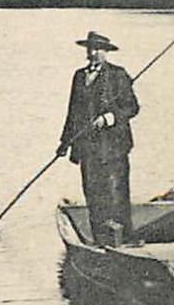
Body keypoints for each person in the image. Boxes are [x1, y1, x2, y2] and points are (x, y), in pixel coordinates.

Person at [57, 31, 140, 246]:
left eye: (98, 49)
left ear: (106, 52)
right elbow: (72, 112)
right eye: (90, 49)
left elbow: (132, 107)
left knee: (116, 194)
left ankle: (125, 242)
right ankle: (100, 240)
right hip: (87, 148)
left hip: (114, 147)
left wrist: (110, 117)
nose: (93, 53)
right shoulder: (78, 76)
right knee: (93, 193)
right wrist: (64, 143)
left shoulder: (118, 75)